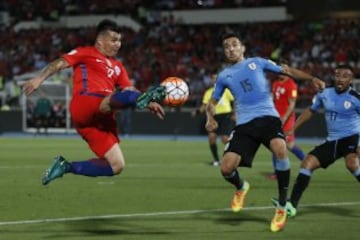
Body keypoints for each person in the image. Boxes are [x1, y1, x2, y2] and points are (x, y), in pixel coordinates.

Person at [22, 19, 166, 186]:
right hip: (86, 103)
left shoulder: (118, 67)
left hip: (99, 120)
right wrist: (39, 79)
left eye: (119, 41)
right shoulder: (85, 53)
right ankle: (141, 99)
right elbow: (59, 63)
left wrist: (147, 103)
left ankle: (65, 166)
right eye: (113, 40)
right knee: (108, 101)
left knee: (117, 165)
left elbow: (129, 90)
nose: (118, 44)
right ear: (100, 41)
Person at [205, 33, 325, 232]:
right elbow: (212, 103)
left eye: (234, 45)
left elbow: (287, 71)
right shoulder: (224, 76)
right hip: (244, 124)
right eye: (227, 46)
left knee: (280, 149)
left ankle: (281, 205)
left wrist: (312, 78)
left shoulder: (258, 62)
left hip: (268, 117)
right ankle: (241, 186)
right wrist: (210, 118)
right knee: (226, 169)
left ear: (242, 48)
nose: (231, 49)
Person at [272, 64, 360, 217]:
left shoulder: (356, 98)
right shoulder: (324, 93)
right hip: (332, 141)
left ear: (351, 80)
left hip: (351, 137)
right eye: (338, 75)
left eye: (345, 76)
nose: (340, 79)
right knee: (307, 164)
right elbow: (310, 111)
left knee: (352, 164)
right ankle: (291, 205)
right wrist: (292, 128)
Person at [268, 74, 305, 179]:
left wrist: (285, 117)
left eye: (284, 70)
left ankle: (306, 161)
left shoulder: (291, 85)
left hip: (287, 119)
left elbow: (292, 104)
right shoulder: (275, 83)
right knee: (275, 144)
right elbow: (274, 100)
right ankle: (277, 172)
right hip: (276, 118)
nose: (281, 72)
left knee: (289, 145)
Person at [194, 71, 235, 166]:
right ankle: (216, 160)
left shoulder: (226, 91)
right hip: (213, 116)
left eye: (216, 78)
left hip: (226, 115)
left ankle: (233, 157)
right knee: (211, 138)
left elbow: (234, 102)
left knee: (225, 139)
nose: (215, 80)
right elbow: (204, 105)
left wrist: (235, 113)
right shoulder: (208, 92)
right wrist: (198, 112)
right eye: (213, 78)